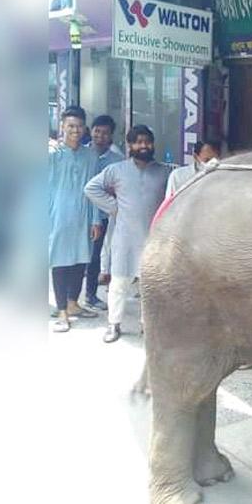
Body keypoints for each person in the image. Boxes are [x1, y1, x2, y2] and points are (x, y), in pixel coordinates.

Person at [85, 125, 171, 343]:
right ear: (130, 145)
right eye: (138, 142)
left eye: (147, 141)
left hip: (154, 240)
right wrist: (114, 207)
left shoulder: (164, 172)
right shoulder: (117, 170)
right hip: (124, 238)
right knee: (119, 284)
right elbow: (91, 188)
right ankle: (114, 325)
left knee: (149, 286)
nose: (143, 146)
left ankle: (147, 326)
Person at [49, 106, 102, 332]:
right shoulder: (51, 154)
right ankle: (61, 311)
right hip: (56, 215)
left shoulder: (91, 156)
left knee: (81, 260)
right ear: (62, 127)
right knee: (60, 260)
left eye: (79, 126)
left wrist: (96, 219)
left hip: (84, 216)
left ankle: (73, 304)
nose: (75, 130)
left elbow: (95, 189)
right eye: (70, 126)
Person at [82, 115, 124, 310]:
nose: (100, 135)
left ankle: (90, 295)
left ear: (111, 136)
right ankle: (68, 298)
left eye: (105, 132)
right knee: (73, 254)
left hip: (102, 215)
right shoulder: (82, 153)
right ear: (91, 131)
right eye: (97, 131)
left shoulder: (117, 161)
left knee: (94, 255)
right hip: (78, 212)